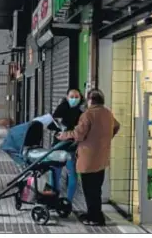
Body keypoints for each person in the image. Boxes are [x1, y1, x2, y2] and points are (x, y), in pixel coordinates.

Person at [57, 88, 120, 226]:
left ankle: (94, 217)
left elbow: (79, 134)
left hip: (88, 158)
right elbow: (116, 126)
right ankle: (94, 213)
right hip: (102, 156)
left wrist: (64, 135)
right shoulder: (108, 113)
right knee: (96, 188)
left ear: (90, 100)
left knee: (89, 189)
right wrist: (106, 139)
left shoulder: (88, 115)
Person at [47, 88, 86, 202]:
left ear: (80, 98)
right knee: (55, 174)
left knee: (70, 175)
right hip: (60, 146)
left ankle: (66, 201)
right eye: (71, 97)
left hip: (70, 147)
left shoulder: (82, 113)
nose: (74, 99)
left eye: (76, 97)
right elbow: (51, 124)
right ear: (67, 97)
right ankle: (57, 200)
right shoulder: (64, 108)